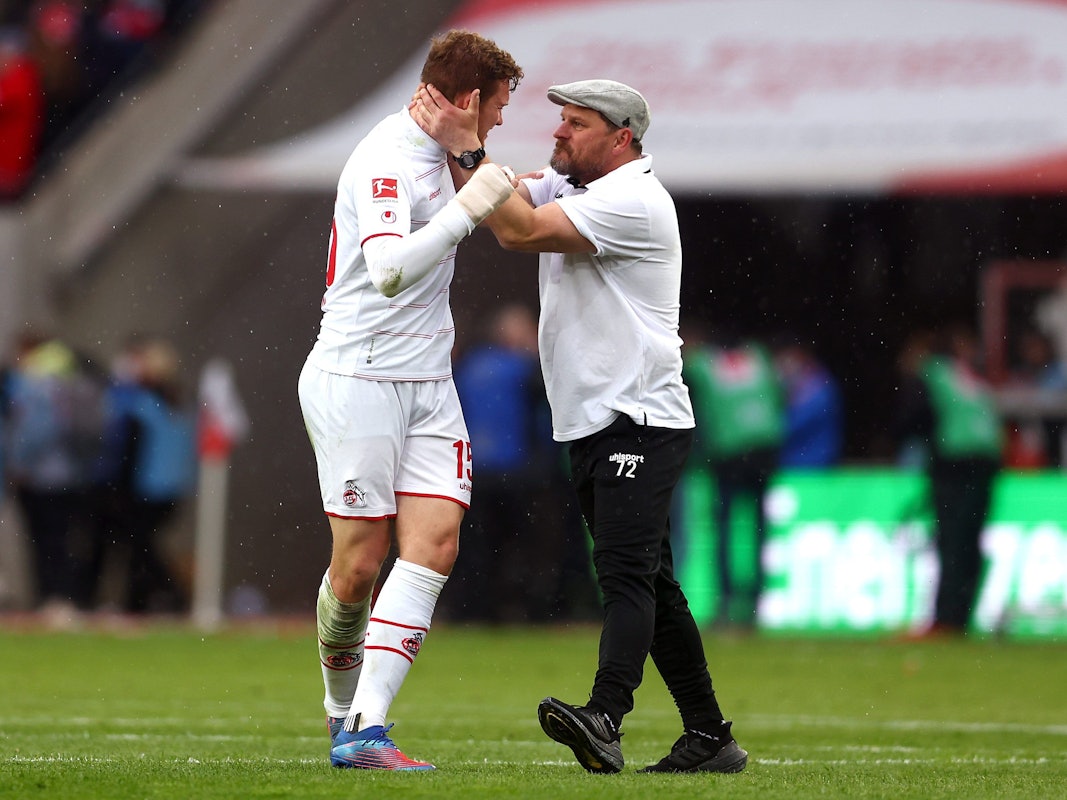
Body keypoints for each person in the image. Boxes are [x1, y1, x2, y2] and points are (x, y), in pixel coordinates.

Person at [413, 79, 748, 774]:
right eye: (559, 121)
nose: (558, 133)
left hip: (638, 419)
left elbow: (516, 228)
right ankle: (709, 736)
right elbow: (487, 197)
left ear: (621, 137)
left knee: (624, 575)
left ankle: (605, 715)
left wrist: (468, 146)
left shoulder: (633, 200)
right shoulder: (577, 186)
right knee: (652, 583)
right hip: (598, 421)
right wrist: (454, 133)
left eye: (576, 124)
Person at [297, 29, 522, 771]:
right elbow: (388, 270)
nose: (496, 125)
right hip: (357, 377)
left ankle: (366, 726)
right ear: (467, 100)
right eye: (494, 110)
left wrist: (476, 176)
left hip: (428, 383)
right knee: (358, 568)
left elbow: (503, 199)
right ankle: (339, 709)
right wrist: (466, 212)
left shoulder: (447, 155)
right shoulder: (386, 157)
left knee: (433, 546)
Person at [893, 324, 1004, 636]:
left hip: (954, 462)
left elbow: (913, 418)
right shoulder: (969, 377)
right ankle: (960, 617)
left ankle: (945, 619)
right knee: (969, 542)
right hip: (986, 462)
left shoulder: (930, 373)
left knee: (952, 542)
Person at [683, 332, 784, 627]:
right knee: (758, 530)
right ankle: (755, 601)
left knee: (726, 529)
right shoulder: (760, 358)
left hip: (729, 455)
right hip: (762, 452)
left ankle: (727, 601)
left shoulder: (703, 364)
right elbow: (779, 398)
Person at [773, 336, 843, 469]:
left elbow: (788, 427)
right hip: (791, 466)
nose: (783, 364)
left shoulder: (818, 385)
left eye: (788, 358)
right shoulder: (791, 384)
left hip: (814, 467)